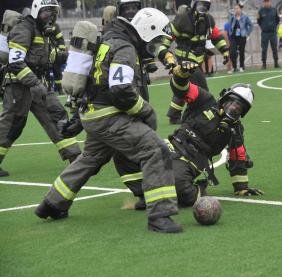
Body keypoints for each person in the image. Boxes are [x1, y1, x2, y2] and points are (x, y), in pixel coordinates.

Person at [35, 8, 183, 234]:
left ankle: (52, 204)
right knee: (155, 149)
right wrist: (145, 111)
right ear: (146, 31)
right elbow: (121, 91)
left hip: (92, 113)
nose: (153, 48)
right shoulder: (125, 47)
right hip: (108, 116)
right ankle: (161, 216)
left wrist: (78, 118)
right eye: (154, 41)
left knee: (90, 158)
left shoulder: (110, 39)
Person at [154, 62, 263, 208]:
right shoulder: (205, 100)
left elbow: (238, 156)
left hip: (190, 162)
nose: (233, 109)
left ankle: (199, 189)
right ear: (225, 98)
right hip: (171, 145)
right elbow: (183, 90)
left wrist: (241, 188)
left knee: (181, 189)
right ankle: (142, 192)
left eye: (239, 108)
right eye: (232, 103)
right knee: (132, 152)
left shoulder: (235, 130)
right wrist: (181, 75)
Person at [0, 0, 81, 178]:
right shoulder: (24, 29)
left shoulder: (44, 32)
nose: (50, 17)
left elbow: (48, 57)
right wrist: (34, 84)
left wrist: (69, 56)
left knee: (57, 116)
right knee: (12, 125)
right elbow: (15, 63)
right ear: (36, 12)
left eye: (54, 13)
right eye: (46, 13)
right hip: (18, 86)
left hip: (39, 83)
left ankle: (75, 157)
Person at [156, 0, 230, 125]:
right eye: (201, 5)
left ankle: (174, 116)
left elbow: (216, 36)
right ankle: (205, 113)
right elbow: (166, 36)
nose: (203, 8)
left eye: (206, 6)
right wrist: (165, 53)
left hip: (197, 60)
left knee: (182, 86)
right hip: (184, 59)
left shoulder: (209, 20)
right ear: (194, 5)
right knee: (202, 88)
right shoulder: (182, 18)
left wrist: (225, 51)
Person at [229, 3, 252, 72]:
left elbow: (250, 25)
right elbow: (230, 25)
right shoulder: (232, 17)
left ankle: (242, 66)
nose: (236, 10)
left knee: (241, 51)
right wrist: (230, 32)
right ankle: (234, 67)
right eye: (235, 9)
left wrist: (247, 33)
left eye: (238, 8)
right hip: (234, 37)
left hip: (242, 36)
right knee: (232, 52)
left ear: (241, 9)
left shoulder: (245, 17)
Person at [257, 0, 280, 69]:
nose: (266, 3)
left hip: (273, 32)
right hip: (265, 33)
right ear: (263, 3)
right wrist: (263, 27)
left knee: (274, 48)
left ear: (270, 2)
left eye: (267, 1)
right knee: (264, 49)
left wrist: (273, 26)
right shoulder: (260, 11)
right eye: (265, 2)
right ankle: (264, 64)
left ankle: (276, 63)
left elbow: (277, 20)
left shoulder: (274, 10)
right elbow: (258, 21)